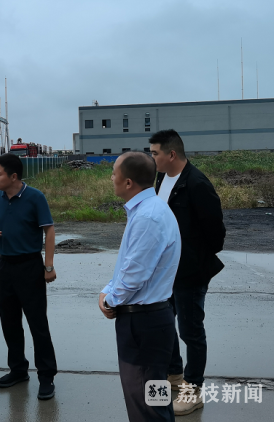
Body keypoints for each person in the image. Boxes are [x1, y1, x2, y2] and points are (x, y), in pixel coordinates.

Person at [99, 151, 181, 422]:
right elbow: (129, 264)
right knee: (155, 399)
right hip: (150, 321)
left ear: (128, 182)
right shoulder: (149, 209)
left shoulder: (148, 217)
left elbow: (134, 275)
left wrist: (110, 300)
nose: (111, 178)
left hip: (143, 325)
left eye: (114, 173)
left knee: (146, 405)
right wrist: (108, 289)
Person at [149, 129, 226, 416]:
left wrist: (193, 258)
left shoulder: (196, 183)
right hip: (166, 271)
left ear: (171, 154)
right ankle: (174, 375)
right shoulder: (162, 179)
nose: (151, 158)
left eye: (155, 153)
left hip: (190, 272)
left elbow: (216, 235)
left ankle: (193, 389)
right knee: (164, 322)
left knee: (190, 331)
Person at [0, 153, 58, 400]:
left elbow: (49, 230)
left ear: (13, 176)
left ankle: (46, 376)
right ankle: (18, 369)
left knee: (37, 323)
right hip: (4, 266)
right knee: (10, 322)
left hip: (29, 266)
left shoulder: (35, 197)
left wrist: (48, 266)